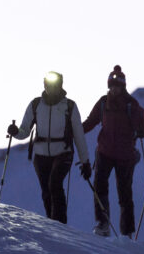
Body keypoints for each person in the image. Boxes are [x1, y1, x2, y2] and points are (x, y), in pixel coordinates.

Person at [8, 71, 91, 225]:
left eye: (55, 85)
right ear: (44, 85)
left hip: (63, 152)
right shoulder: (35, 105)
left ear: (61, 86)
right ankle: (52, 225)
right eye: (49, 84)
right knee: (47, 191)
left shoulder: (70, 106)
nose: (52, 88)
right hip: (40, 155)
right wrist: (15, 132)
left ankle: (59, 225)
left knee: (54, 185)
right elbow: (24, 131)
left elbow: (79, 135)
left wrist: (85, 162)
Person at [81, 65, 144, 237]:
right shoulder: (104, 102)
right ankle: (103, 224)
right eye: (112, 85)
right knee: (100, 187)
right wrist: (75, 130)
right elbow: (90, 122)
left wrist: (141, 130)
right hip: (105, 152)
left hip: (124, 155)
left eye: (117, 86)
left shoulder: (131, 105)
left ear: (123, 86)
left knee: (124, 193)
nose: (114, 89)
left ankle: (126, 232)